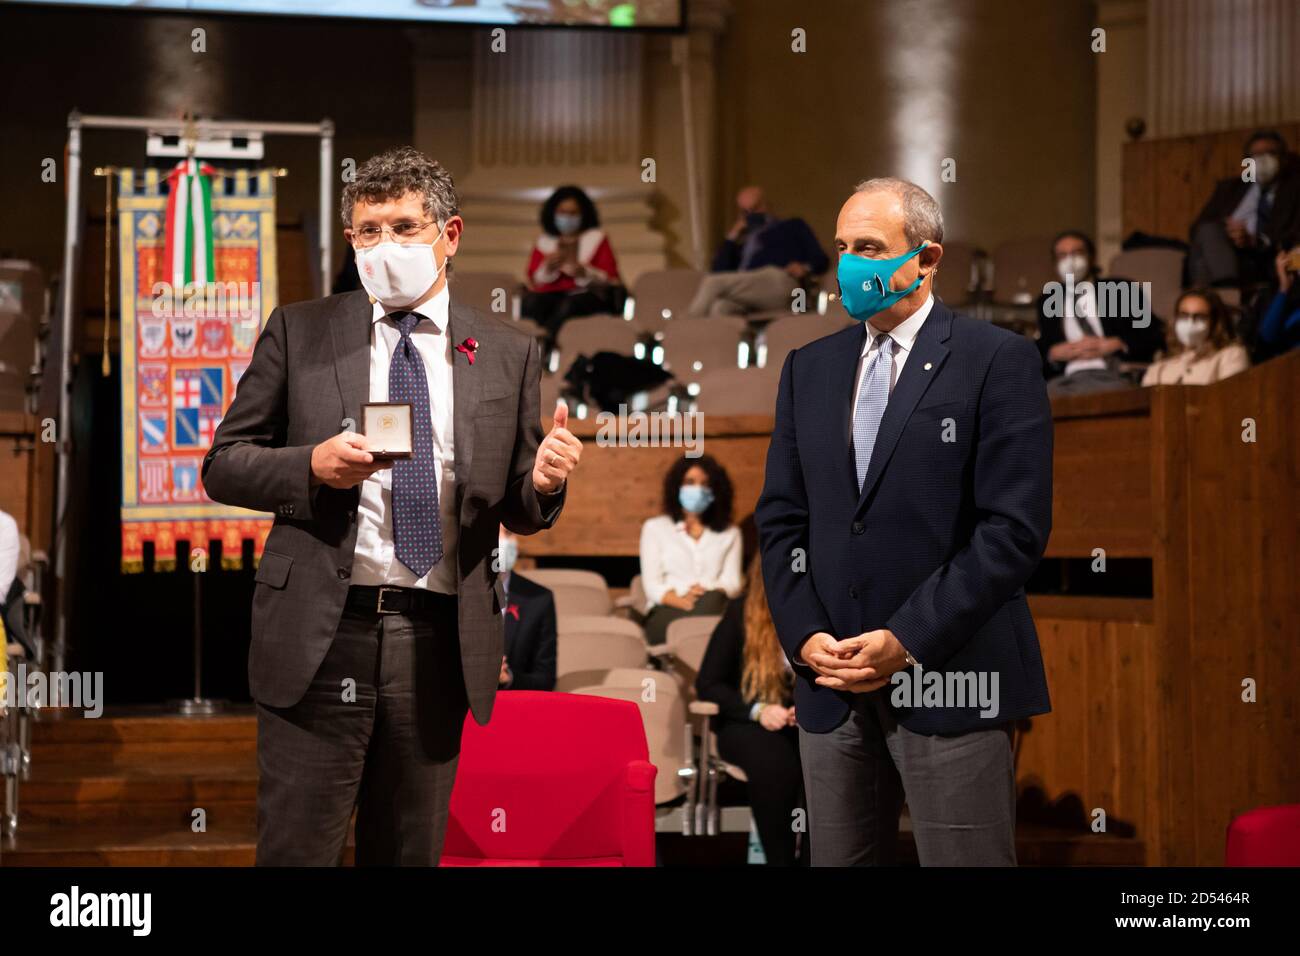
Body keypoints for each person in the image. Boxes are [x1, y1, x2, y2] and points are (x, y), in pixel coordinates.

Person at [202, 146, 582, 866]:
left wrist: (548, 483)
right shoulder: (302, 329)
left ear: (451, 234)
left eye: (404, 227)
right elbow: (224, 465)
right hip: (321, 633)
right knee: (296, 852)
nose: (385, 246)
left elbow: (518, 504)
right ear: (350, 242)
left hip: (435, 642)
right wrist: (311, 466)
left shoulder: (505, 351)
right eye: (367, 231)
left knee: (407, 852)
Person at [756, 177, 1053, 866]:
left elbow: (1012, 532)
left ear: (926, 258)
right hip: (830, 687)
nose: (850, 264)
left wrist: (907, 639)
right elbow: (780, 521)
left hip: (951, 676)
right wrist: (804, 636)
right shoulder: (809, 368)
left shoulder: (996, 361)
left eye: (869, 247)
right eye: (841, 248)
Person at [695, 553, 807, 866]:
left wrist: (809, 707)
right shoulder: (740, 612)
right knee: (777, 767)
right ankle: (779, 860)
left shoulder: (818, 615)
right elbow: (709, 683)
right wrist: (759, 710)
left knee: (822, 768)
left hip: (802, 722)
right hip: (746, 721)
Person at [1034, 230, 1163, 396]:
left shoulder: (1122, 290)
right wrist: (1053, 353)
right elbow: (1042, 348)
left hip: (1115, 374)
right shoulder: (1048, 300)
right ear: (1054, 263)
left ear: (1091, 257)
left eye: (1077, 253)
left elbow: (1155, 335)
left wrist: (1119, 343)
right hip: (1066, 380)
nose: (1070, 261)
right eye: (1062, 255)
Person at [638, 454, 743, 646]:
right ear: (676, 487)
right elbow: (653, 587)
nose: (698, 489)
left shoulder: (730, 533)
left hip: (714, 609)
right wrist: (685, 599)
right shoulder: (655, 528)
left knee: (716, 603)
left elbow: (733, 584)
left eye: (705, 484)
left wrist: (704, 593)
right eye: (690, 482)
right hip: (669, 610)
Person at [687, 186, 829, 317]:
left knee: (713, 283)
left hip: (780, 281)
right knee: (720, 307)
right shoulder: (741, 242)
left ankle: (682, 331)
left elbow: (821, 259)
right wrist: (732, 236)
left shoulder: (792, 226)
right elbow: (718, 271)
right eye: (745, 212)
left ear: (766, 204)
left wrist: (804, 267)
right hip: (751, 292)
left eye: (755, 208)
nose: (751, 215)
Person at [1189, 130, 1300, 289]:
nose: (1262, 159)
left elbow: (1294, 234)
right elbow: (1197, 229)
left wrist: (1257, 241)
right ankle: (1220, 293)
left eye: (1270, 153)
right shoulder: (1229, 189)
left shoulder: (1294, 190)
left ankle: (1220, 296)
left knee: (1203, 266)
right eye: (1255, 154)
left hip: (1265, 258)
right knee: (1207, 232)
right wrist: (1227, 230)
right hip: (1227, 253)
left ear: (1283, 158)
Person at [521, 185, 624, 335]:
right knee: (533, 303)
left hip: (586, 296)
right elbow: (532, 280)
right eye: (562, 212)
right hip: (551, 294)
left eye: (573, 213)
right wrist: (547, 268)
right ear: (553, 213)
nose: (567, 218)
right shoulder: (544, 241)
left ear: (583, 214)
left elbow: (611, 279)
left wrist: (584, 272)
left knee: (569, 305)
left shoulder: (597, 239)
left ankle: (545, 342)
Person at [1141, 288, 1249, 386]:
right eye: (1184, 315)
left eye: (1199, 317)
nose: (1190, 322)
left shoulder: (1231, 356)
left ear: (1215, 322)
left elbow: (1231, 398)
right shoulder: (1160, 367)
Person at [495, 526, 557, 691]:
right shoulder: (452, 595)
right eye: (494, 531)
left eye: (508, 533)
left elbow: (545, 678)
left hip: (511, 705)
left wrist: (508, 677)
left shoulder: (539, 600)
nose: (504, 541)